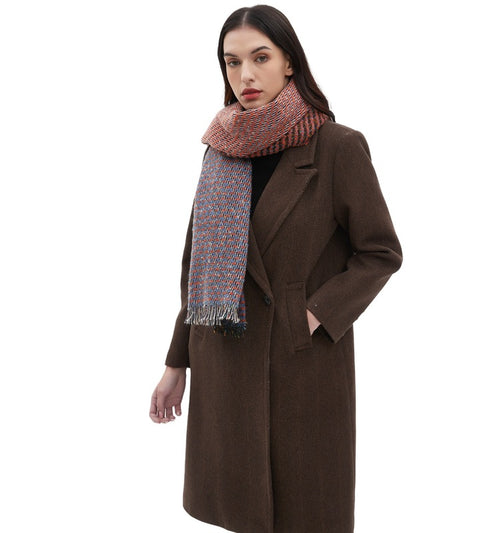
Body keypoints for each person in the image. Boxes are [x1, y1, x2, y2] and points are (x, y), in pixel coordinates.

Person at [149, 5, 402, 532]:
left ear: (290, 62)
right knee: (238, 511)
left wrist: (312, 315)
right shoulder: (220, 150)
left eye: (260, 58)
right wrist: (177, 362)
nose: (245, 75)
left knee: (304, 509)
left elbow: (380, 252)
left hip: (299, 366)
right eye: (232, 61)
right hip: (223, 361)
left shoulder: (337, 147)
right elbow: (197, 266)